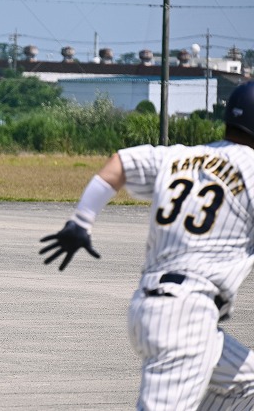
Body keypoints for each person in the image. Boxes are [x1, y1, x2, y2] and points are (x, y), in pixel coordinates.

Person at [39, 81, 254, 410]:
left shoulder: (182, 156)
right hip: (186, 317)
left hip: (152, 307)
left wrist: (81, 221)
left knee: (246, 383)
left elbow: (120, 163)